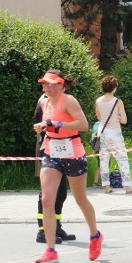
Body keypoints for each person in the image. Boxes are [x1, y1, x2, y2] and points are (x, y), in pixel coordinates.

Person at [33, 70, 102, 263]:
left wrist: (58, 123)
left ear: (61, 85)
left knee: (80, 199)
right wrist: (41, 126)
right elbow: (47, 123)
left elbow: (84, 125)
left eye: (50, 84)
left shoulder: (69, 100)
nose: (46, 87)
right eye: (44, 84)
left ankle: (95, 235)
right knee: (47, 199)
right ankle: (50, 249)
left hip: (72, 151)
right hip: (51, 152)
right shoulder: (43, 102)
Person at [34, 89, 76, 244]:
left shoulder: (63, 101)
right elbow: (41, 125)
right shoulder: (44, 102)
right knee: (47, 193)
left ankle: (56, 227)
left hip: (63, 150)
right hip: (49, 149)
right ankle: (43, 230)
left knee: (61, 193)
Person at [95, 75, 132, 194]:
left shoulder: (98, 101)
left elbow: (100, 118)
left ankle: (106, 186)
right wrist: (117, 116)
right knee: (122, 159)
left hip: (102, 132)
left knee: (104, 159)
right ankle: (127, 187)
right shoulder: (118, 101)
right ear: (114, 88)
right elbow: (124, 121)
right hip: (115, 133)